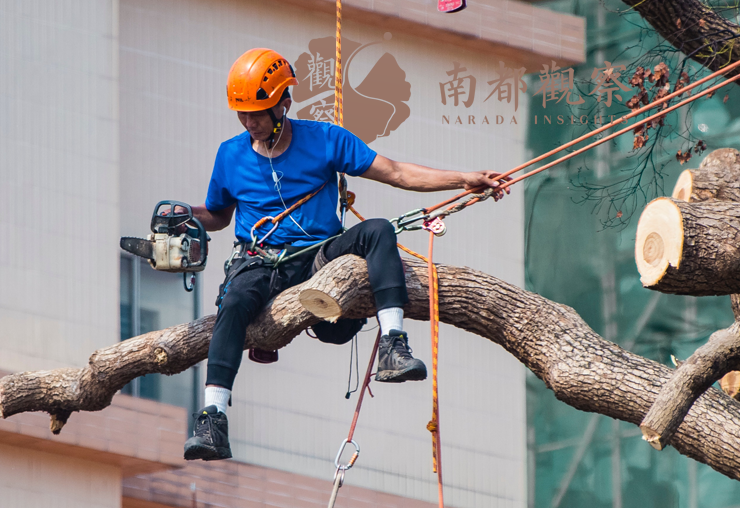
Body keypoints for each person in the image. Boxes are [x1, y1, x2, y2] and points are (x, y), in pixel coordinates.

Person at [182, 48, 507, 461]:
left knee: (378, 230)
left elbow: (397, 172)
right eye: (242, 114)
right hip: (261, 261)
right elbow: (219, 215)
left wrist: (464, 179)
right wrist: (185, 214)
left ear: (284, 102)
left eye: (259, 113)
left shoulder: (324, 140)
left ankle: (394, 344)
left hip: (319, 257)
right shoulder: (230, 154)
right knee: (233, 304)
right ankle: (213, 419)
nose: (250, 122)